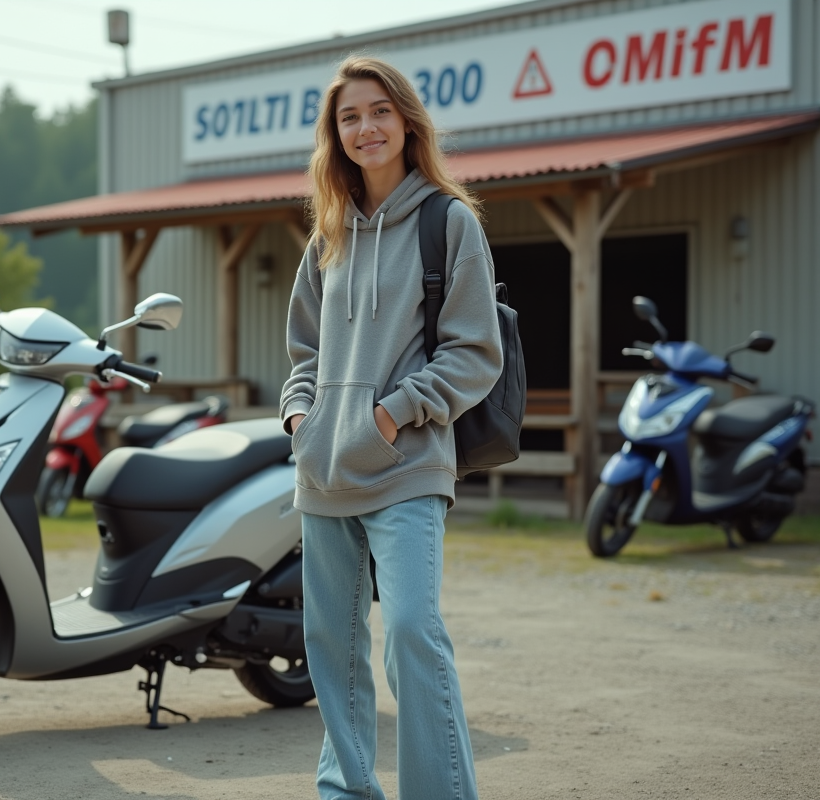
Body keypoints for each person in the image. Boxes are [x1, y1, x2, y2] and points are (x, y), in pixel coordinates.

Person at [280, 55, 503, 800]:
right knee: (331, 646)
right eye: (349, 117)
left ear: (407, 122)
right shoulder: (327, 236)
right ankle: (345, 791)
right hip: (324, 469)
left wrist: (391, 414)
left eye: (379, 111)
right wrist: (302, 418)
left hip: (406, 463)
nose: (365, 127)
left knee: (412, 631)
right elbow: (304, 352)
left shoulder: (449, 221)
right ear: (335, 135)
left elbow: (475, 352)